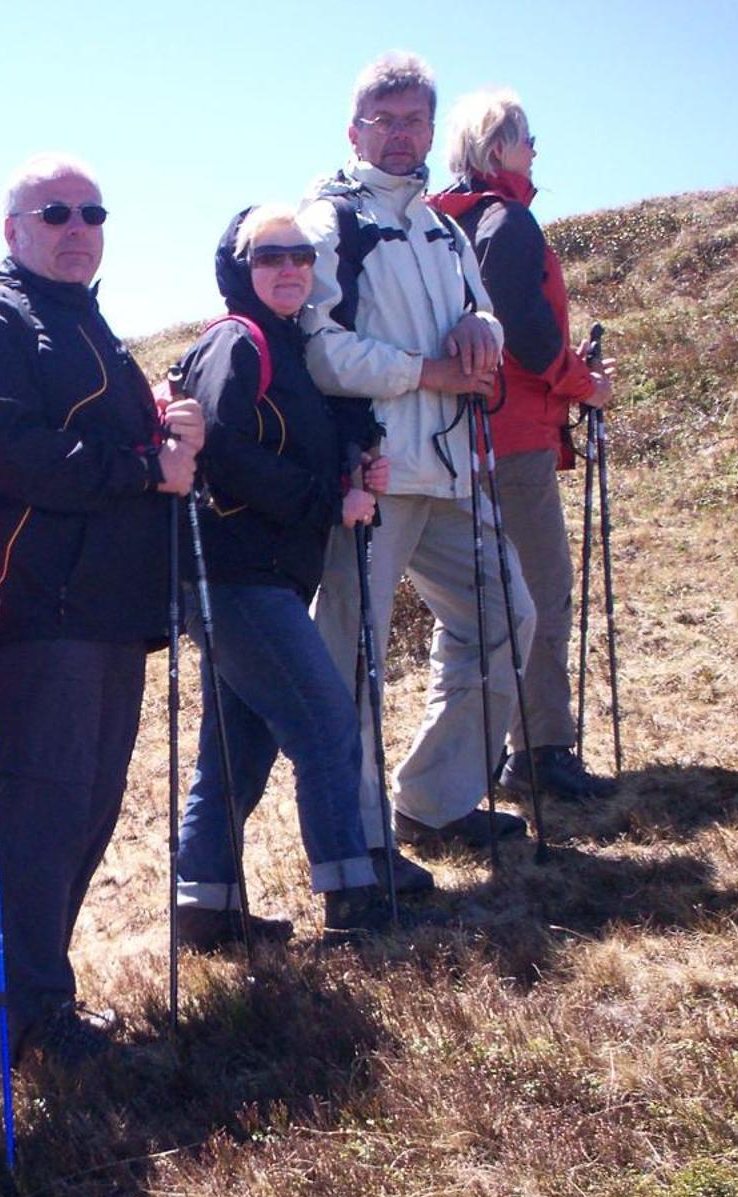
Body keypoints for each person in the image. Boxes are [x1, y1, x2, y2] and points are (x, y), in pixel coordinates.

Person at [0, 153, 203, 1073]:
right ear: (13, 231)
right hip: (39, 608)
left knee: (86, 808)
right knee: (45, 809)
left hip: (108, 608)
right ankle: (23, 1014)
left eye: (92, 212)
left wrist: (162, 430)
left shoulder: (83, 321)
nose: (77, 227)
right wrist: (140, 466)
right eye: (54, 214)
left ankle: (36, 997)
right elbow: (2, 446)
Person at [299, 51, 535, 862]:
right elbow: (319, 349)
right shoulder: (330, 222)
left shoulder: (439, 227)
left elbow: (486, 315)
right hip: (371, 472)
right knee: (349, 654)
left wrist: (485, 334)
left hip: (453, 469)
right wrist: (425, 372)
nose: (401, 136)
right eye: (385, 120)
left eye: (415, 121)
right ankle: (355, 847)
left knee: (508, 619)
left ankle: (434, 804)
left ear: (433, 129)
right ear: (354, 128)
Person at [171, 204, 396, 943]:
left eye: (301, 254)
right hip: (239, 579)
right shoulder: (236, 342)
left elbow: (283, 444)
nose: (291, 268)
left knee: (239, 744)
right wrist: (334, 498)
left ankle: (207, 908)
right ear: (242, 269)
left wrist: (354, 460)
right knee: (327, 724)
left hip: (256, 579)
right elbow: (223, 454)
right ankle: (351, 893)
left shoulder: (284, 345)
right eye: (270, 257)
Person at [430, 88, 618, 801]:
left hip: (463, 435)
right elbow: (527, 332)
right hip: (513, 434)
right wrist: (582, 384)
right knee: (541, 590)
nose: (536, 150)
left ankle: (508, 751)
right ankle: (539, 752)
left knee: (493, 600)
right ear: (499, 145)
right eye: (528, 137)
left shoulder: (446, 224)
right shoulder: (509, 222)